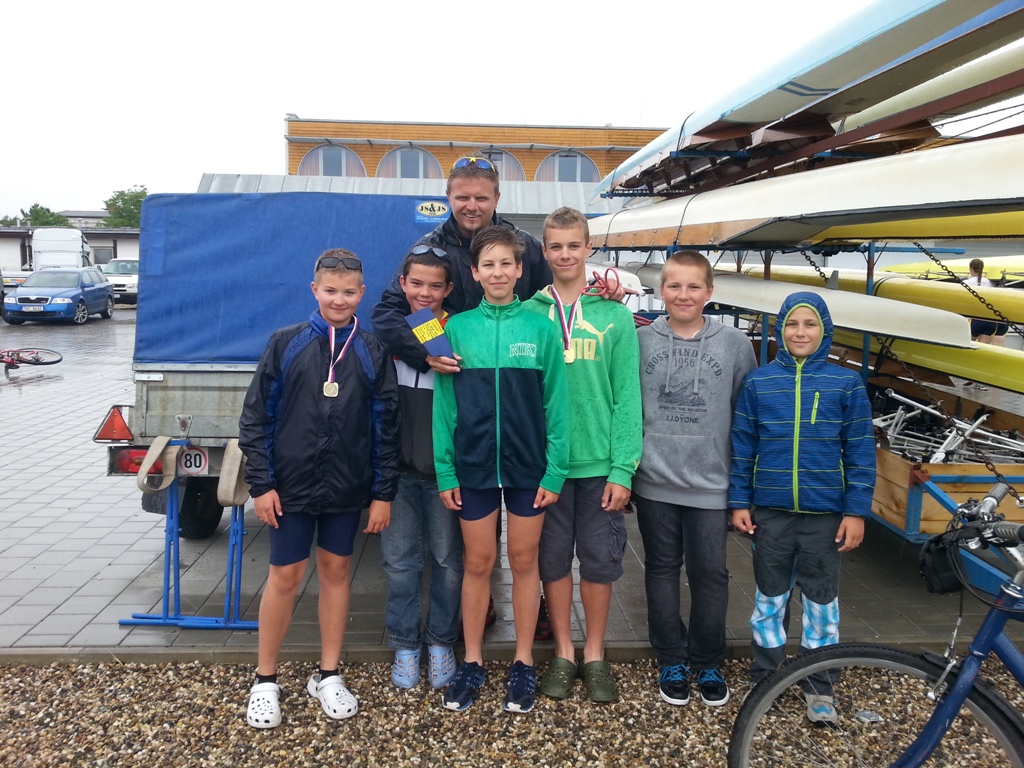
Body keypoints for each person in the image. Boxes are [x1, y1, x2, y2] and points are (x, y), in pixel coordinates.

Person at [371, 155, 556, 640]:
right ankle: (481, 605)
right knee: (473, 534)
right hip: (464, 397)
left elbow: (557, 299)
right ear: (448, 198)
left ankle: (534, 605)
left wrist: (602, 293)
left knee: (526, 537)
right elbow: (390, 313)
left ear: (497, 199)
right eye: (462, 197)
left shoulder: (523, 247)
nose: (471, 206)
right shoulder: (430, 248)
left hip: (516, 395)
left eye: (481, 197)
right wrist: (429, 352)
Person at [238, 249, 399, 729]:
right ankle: (265, 679)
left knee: (336, 573)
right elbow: (256, 418)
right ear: (315, 290)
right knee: (285, 577)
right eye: (330, 291)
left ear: (362, 293)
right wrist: (262, 484)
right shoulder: (285, 342)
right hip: (290, 488)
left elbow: (385, 426)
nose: (339, 299)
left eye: (349, 292)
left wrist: (382, 493)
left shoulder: (371, 350)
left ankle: (328, 674)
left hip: (346, 488)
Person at [433, 225, 569, 713]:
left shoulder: (541, 328)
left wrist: (555, 471)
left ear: (519, 269)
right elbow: (444, 406)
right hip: (472, 468)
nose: (497, 272)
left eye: (506, 264)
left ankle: (523, 662)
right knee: (478, 563)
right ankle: (471, 661)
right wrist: (446, 471)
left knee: (525, 563)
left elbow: (557, 404)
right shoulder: (455, 329)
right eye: (487, 265)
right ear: (474, 272)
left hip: (528, 467)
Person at [729, 290, 875, 724]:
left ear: (825, 330)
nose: (800, 332)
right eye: (792, 324)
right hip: (771, 513)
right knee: (769, 599)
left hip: (825, 516)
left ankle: (819, 684)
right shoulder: (758, 383)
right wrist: (739, 501)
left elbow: (860, 451)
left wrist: (855, 511)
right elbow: (742, 447)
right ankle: (766, 676)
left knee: (821, 603)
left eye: (810, 324)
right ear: (779, 329)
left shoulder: (846, 384)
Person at [524, 207, 642, 703]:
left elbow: (627, 397)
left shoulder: (615, 315)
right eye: (556, 245)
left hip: (599, 466)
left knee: (598, 562)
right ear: (544, 251)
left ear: (589, 249)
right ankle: (564, 651)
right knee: (552, 561)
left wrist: (623, 468)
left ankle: (595, 652)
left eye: (574, 245)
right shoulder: (530, 314)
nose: (566, 254)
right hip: (546, 468)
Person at [633, 250, 757, 708]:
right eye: (674, 286)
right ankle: (670, 656)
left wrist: (743, 487)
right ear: (660, 290)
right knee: (661, 569)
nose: (683, 295)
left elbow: (745, 417)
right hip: (655, 479)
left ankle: (707, 659)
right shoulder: (640, 341)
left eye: (693, 286)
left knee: (710, 574)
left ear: (709, 291)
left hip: (711, 482)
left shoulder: (735, 344)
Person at [377, 245, 463, 691]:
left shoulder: (458, 329)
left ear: (448, 289)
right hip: (398, 471)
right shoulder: (389, 331)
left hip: (445, 473)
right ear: (402, 284)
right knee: (398, 563)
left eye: (435, 286)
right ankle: (406, 643)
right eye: (416, 284)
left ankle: (442, 640)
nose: (425, 293)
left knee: (448, 562)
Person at [966, 258, 1009, 347]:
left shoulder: (966, 283)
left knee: (967, 346)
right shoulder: (990, 283)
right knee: (983, 348)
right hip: (989, 320)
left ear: (971, 269)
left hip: (975, 318)